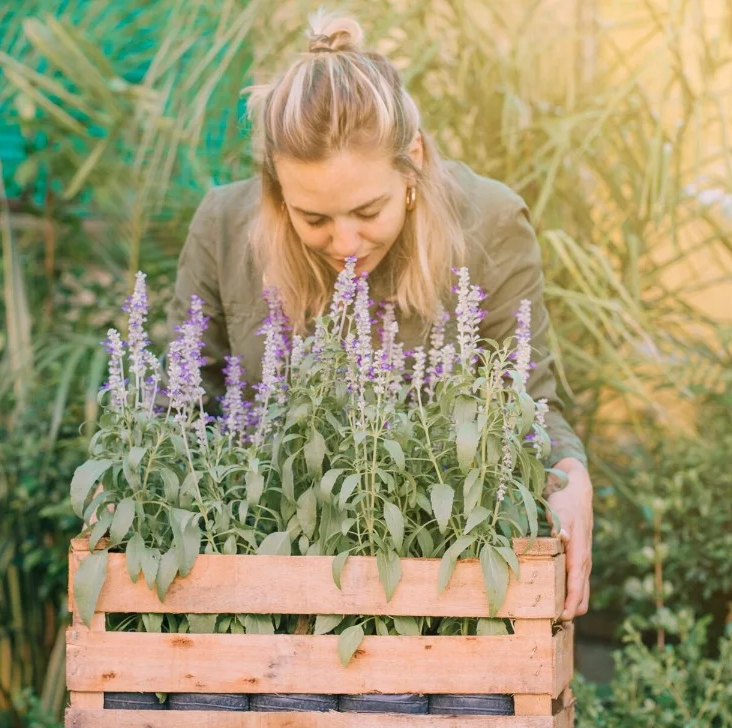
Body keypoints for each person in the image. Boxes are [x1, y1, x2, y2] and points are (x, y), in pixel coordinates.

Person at [167, 11, 593, 621]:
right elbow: (183, 406)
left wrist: (570, 472)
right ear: (275, 189)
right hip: (259, 590)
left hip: (437, 589)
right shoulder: (224, 226)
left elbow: (525, 400)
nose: (345, 241)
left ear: (412, 160)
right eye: (312, 218)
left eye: (368, 210)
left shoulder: (490, 223)